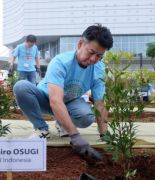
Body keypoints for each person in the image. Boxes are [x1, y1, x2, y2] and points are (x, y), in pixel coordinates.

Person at [13, 24, 113, 160]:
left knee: (86, 116)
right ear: (80, 44)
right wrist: (75, 136)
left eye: (99, 56)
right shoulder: (60, 62)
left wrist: (105, 135)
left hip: (70, 101)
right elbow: (55, 101)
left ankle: (62, 123)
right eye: (91, 52)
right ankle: (41, 128)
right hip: (45, 99)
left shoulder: (99, 70)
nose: (94, 59)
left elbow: (100, 104)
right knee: (21, 87)